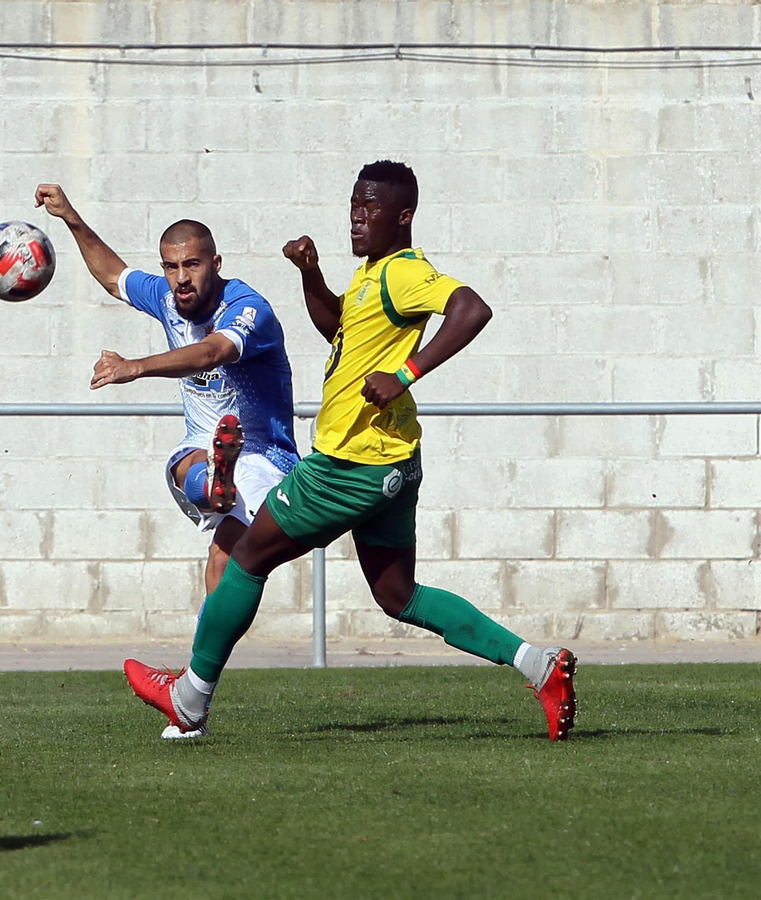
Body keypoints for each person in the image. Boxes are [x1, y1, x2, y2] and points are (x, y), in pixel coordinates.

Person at [123, 160, 577, 741]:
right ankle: (541, 666)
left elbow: (472, 309)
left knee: (245, 555)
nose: (357, 218)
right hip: (390, 460)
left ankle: (188, 700)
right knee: (397, 594)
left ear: (403, 216)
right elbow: (337, 325)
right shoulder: (372, 274)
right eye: (353, 208)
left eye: (370, 209)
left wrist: (406, 372)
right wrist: (312, 276)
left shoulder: (405, 273)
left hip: (348, 463)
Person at [35, 185, 298, 736]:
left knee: (218, 537)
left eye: (193, 265)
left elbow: (213, 352)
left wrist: (135, 366)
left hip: (266, 455)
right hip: (211, 453)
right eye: (172, 267)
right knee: (213, 545)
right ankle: (192, 705)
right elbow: (114, 276)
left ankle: (190, 697)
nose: (181, 278)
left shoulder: (248, 308)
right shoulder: (169, 299)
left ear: (216, 264)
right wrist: (70, 218)